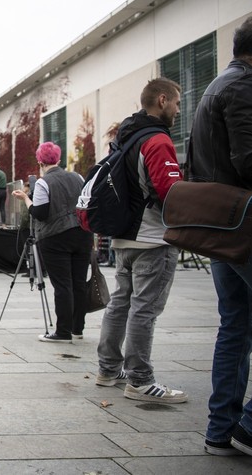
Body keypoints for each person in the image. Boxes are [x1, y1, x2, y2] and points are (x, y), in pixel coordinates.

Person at [95, 78, 185, 404]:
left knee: (121, 303)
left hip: (125, 238)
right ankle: (140, 380)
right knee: (144, 309)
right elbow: (170, 193)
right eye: (177, 101)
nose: (179, 107)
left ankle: (108, 369)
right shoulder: (157, 140)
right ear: (162, 100)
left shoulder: (125, 137)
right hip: (153, 238)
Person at [189, 16, 252, 457]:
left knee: (235, 325)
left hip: (222, 227)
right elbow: (249, 160)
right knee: (235, 325)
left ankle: (220, 428)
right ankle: (246, 423)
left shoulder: (217, 85)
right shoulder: (242, 87)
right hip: (243, 224)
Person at [12, 142, 91, 342]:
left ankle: (63, 331)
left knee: (62, 284)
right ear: (58, 159)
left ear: (40, 161)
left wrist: (26, 199)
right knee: (79, 283)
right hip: (82, 234)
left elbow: (40, 213)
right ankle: (77, 328)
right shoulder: (78, 177)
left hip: (56, 238)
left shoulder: (43, 183)